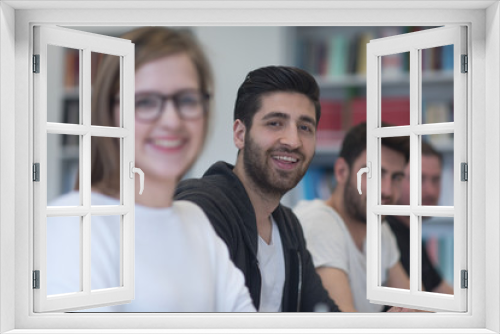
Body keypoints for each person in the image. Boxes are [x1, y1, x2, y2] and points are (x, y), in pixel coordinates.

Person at [47, 27, 255, 312]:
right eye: (145, 101)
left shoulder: (195, 220)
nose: (172, 120)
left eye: (186, 100)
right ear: (108, 113)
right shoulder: (74, 224)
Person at [175, 66, 340, 312]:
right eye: (275, 123)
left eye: (305, 127)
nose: (293, 141)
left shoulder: (288, 226)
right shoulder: (203, 209)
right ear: (240, 134)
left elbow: (322, 314)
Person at [294, 122, 411, 312]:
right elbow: (346, 325)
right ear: (341, 172)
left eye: (396, 177)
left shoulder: (380, 229)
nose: (387, 190)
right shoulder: (319, 223)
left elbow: (417, 304)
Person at [387, 140, 453, 294]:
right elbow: (418, 308)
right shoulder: (387, 234)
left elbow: (441, 291)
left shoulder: (410, 233)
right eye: (419, 179)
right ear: (396, 179)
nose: (430, 191)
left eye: (436, 180)